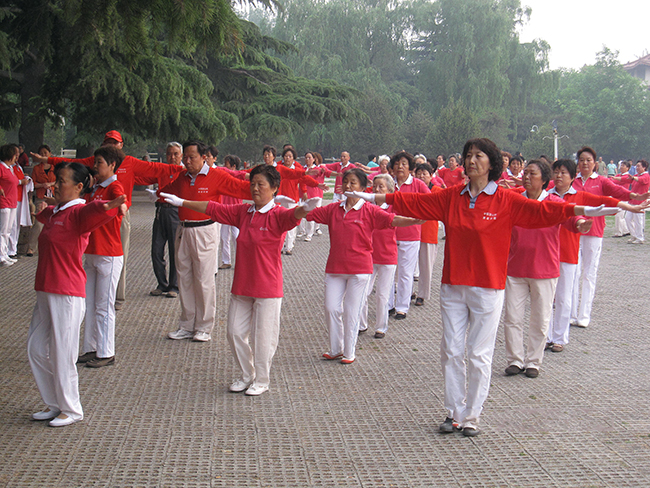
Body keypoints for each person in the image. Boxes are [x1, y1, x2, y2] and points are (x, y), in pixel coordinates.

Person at [348, 138, 616, 436]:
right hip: (453, 286)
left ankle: (472, 415)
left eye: (479, 156)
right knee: (451, 350)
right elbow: (413, 202)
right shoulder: (451, 197)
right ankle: (454, 412)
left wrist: (596, 210)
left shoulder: (506, 200)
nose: (472, 160)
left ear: (492, 163)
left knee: (478, 353)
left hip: (488, 287)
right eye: (469, 155)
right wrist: (366, 196)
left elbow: (546, 212)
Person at [160, 165, 319, 395]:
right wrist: (182, 202)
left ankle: (262, 380)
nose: (255, 188)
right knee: (234, 332)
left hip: (268, 288)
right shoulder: (243, 212)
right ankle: (247, 375)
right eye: (252, 184)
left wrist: (304, 209)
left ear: (274, 188)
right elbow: (212, 207)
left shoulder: (277, 215)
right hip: (242, 285)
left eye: (261, 184)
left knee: (263, 338)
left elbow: (293, 216)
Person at [30, 130, 185, 310]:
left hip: (119, 214)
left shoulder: (129, 163)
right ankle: (89, 293)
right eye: (108, 142)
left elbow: (158, 168)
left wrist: (186, 168)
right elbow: (74, 164)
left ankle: (117, 295)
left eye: (115, 142)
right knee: (93, 255)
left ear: (121, 146)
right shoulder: (97, 164)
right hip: (97, 214)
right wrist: (47, 160)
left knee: (118, 256)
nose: (112, 146)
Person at [27, 162, 126, 427]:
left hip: (67, 292)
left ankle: (71, 409)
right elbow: (44, 212)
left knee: (63, 353)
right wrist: (40, 206)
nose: (56, 185)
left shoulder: (78, 212)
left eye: (62, 181)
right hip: (45, 289)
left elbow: (94, 209)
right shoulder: (56, 212)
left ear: (79, 187)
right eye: (56, 180)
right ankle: (54, 403)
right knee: (36, 349)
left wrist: (109, 204)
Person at [308, 168, 418, 363]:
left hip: (360, 270)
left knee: (352, 311)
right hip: (335, 268)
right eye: (346, 182)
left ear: (362, 188)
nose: (348, 186)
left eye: (353, 182)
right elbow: (309, 214)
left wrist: (417, 220)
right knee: (331, 308)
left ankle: (349, 352)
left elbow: (393, 220)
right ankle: (336, 348)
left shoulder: (369, 210)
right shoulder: (333, 209)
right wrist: (290, 209)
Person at [545, 158, 646, 352]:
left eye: (563, 173)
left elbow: (604, 202)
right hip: (546, 252)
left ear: (572, 177)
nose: (558, 176)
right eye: (556, 172)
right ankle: (546, 336)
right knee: (547, 299)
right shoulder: (546, 195)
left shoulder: (580, 196)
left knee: (564, 297)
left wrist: (630, 206)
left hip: (568, 252)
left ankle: (559, 338)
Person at [503, 159, 590, 378]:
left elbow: (572, 217)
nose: (526, 177)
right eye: (525, 173)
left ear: (544, 180)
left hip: (544, 270)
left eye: (532, 174)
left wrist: (581, 224)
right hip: (516, 268)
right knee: (512, 317)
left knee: (540, 319)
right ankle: (515, 359)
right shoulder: (515, 200)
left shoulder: (553, 202)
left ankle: (533, 361)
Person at [160, 141, 252, 342]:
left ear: (204, 157)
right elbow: (167, 191)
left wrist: (264, 189)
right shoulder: (183, 177)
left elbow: (240, 188)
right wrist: (157, 196)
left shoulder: (216, 176)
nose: (187, 161)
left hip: (204, 230)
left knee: (203, 279)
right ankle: (186, 324)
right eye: (185, 157)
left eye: (192, 157)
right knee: (184, 278)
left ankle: (204, 326)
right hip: (183, 230)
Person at [570, 146, 648, 328]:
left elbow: (618, 191)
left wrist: (636, 196)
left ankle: (584, 315)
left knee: (589, 274)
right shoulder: (572, 182)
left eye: (588, 160)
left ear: (595, 163)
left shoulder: (601, 181)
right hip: (573, 231)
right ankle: (571, 313)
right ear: (578, 163)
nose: (585, 163)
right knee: (573, 273)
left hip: (594, 232)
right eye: (582, 160)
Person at [78, 146, 127, 369]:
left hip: (108, 253)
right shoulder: (94, 188)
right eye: (95, 162)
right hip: (92, 252)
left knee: (103, 306)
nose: (95, 166)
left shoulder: (114, 186)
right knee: (89, 304)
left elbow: (121, 201)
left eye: (99, 162)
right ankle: (90, 348)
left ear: (112, 165)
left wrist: (122, 205)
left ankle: (106, 352)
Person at [138, 142, 184, 297]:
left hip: (175, 212)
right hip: (160, 211)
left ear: (181, 156)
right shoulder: (162, 170)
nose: (172, 157)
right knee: (156, 250)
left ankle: (174, 286)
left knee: (174, 250)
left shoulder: (184, 172)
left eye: (176, 154)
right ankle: (162, 283)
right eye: (169, 154)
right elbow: (144, 178)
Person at [358, 174, 402, 338]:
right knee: (363, 292)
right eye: (375, 186)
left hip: (388, 257)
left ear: (389, 190)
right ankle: (361, 324)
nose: (377, 189)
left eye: (381, 187)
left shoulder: (393, 208)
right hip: (369, 256)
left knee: (382, 295)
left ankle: (381, 327)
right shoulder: (367, 207)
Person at [389, 151, 430, 320]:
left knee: (405, 273)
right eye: (397, 163)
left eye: (404, 164)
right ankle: (388, 305)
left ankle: (402, 307)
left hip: (410, 235)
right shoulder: (388, 183)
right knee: (389, 272)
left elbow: (431, 202)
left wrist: (421, 216)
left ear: (411, 168)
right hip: (388, 234)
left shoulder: (418, 184)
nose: (400, 167)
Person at [413, 163, 441, 307]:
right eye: (419, 173)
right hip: (411, 231)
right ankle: (408, 291)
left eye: (424, 173)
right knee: (407, 265)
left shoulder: (437, 191)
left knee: (425, 266)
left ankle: (422, 294)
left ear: (431, 176)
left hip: (428, 231)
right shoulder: (412, 189)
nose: (421, 176)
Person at [28, 145, 57, 256]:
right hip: (41, 197)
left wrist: (51, 184)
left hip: (54, 197)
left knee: (54, 222)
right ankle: (31, 247)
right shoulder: (37, 168)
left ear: (50, 153)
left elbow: (60, 180)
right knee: (39, 222)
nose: (44, 155)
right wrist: (42, 185)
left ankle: (51, 247)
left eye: (45, 152)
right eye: (41, 153)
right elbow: (33, 183)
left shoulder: (55, 167)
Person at [612, 160, 649, 244]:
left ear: (644, 167)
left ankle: (640, 238)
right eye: (636, 166)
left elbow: (640, 180)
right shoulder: (636, 175)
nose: (637, 168)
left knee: (638, 221)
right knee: (627, 219)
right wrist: (615, 178)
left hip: (640, 202)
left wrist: (633, 178)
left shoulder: (646, 176)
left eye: (639, 166)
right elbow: (625, 179)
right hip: (632, 202)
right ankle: (634, 235)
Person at [218, 154, 243, 269]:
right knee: (224, 236)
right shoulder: (223, 177)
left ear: (233, 167)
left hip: (236, 210)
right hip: (224, 209)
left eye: (226, 165)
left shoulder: (239, 177)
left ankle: (241, 260)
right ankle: (226, 261)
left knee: (236, 236)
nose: (224, 167)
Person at [0, 144, 20, 266]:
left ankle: (5, 253)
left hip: (12, 202)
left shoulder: (10, 168)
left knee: (8, 230)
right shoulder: (1, 167)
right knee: (2, 230)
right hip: (4, 202)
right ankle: (1, 255)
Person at [611, 160, 632, 238]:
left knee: (619, 215)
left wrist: (613, 180)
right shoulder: (619, 175)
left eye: (623, 166)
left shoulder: (627, 177)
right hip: (617, 198)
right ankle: (626, 230)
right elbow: (611, 181)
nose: (621, 167)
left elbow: (615, 182)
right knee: (620, 216)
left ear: (627, 168)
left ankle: (619, 232)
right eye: (621, 165)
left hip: (623, 198)